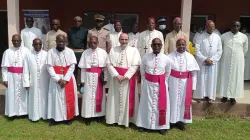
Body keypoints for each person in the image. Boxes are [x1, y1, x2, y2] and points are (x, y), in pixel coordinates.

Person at [136, 38, 171, 135]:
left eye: (158, 44)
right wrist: (148, 80)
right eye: (154, 44)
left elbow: (167, 72)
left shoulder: (166, 59)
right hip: (148, 84)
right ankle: (144, 124)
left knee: (160, 105)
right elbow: (142, 71)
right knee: (146, 105)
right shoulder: (145, 57)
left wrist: (160, 81)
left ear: (161, 46)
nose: (156, 46)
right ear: (151, 46)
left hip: (161, 85)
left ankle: (161, 126)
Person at [106, 33, 141, 127]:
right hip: (116, 78)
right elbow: (108, 64)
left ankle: (128, 120)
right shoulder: (113, 50)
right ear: (119, 40)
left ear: (128, 40)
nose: (124, 41)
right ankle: (113, 119)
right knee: (114, 98)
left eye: (126, 40)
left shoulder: (134, 50)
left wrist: (126, 76)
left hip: (128, 79)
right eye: (122, 39)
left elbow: (135, 65)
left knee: (127, 99)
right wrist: (116, 75)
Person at [46, 34, 79, 126]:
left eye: (63, 42)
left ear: (66, 42)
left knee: (66, 98)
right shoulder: (50, 52)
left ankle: (68, 118)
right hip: (55, 78)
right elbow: (49, 67)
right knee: (55, 98)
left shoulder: (70, 51)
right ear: (55, 41)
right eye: (59, 41)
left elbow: (72, 66)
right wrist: (58, 79)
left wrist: (65, 79)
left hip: (68, 78)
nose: (61, 43)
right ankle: (55, 118)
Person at [168, 38, 199, 131]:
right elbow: (166, 72)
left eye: (183, 45)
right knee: (172, 101)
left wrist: (193, 87)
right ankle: (171, 121)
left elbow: (194, 73)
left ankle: (181, 121)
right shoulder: (170, 56)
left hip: (186, 83)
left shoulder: (190, 57)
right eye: (179, 45)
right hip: (173, 81)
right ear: (176, 45)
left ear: (186, 46)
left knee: (182, 101)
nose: (181, 46)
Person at [78, 36, 108, 125]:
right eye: (91, 43)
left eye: (94, 43)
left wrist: (105, 78)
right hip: (88, 77)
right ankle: (87, 116)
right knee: (88, 96)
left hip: (99, 77)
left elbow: (106, 68)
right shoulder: (85, 53)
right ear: (89, 43)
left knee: (99, 96)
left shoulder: (103, 52)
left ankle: (99, 115)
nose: (93, 44)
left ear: (98, 43)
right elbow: (83, 68)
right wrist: (82, 81)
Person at [1, 34, 30, 120]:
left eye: (18, 41)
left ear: (21, 41)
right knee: (11, 94)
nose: (16, 42)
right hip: (11, 76)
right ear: (12, 41)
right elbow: (4, 67)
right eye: (14, 41)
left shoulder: (27, 51)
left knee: (23, 94)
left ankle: (24, 112)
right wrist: (5, 79)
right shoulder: (7, 51)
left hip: (23, 75)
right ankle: (12, 113)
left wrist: (28, 78)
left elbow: (29, 66)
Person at [219, 21, 248, 104]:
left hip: (238, 61)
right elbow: (220, 48)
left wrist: (237, 56)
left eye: (238, 26)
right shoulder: (224, 36)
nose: (236, 27)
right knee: (225, 77)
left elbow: (245, 49)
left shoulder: (244, 37)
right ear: (231, 26)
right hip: (226, 61)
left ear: (240, 27)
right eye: (234, 25)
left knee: (236, 78)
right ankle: (224, 95)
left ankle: (233, 97)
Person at [193, 20, 223, 103]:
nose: (212, 28)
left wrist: (212, 60)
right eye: (210, 26)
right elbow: (196, 50)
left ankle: (210, 96)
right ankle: (200, 95)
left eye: (213, 26)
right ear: (206, 27)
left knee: (211, 79)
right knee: (201, 78)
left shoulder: (217, 37)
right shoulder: (200, 36)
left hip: (213, 63)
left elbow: (220, 51)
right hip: (202, 62)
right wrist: (205, 59)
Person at [23, 38, 50, 121]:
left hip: (45, 80)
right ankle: (34, 116)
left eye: (39, 44)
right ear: (32, 45)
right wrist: (26, 83)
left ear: (42, 45)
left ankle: (44, 115)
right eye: (36, 44)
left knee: (44, 96)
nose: (38, 46)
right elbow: (25, 70)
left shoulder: (46, 54)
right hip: (33, 81)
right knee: (34, 97)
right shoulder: (28, 54)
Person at [67, 16, 88, 86]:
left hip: (82, 52)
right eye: (76, 21)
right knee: (73, 69)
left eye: (79, 21)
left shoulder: (85, 30)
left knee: (82, 69)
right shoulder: (70, 30)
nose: (77, 22)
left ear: (81, 22)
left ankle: (82, 86)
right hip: (72, 52)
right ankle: (74, 85)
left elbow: (86, 43)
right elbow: (68, 41)